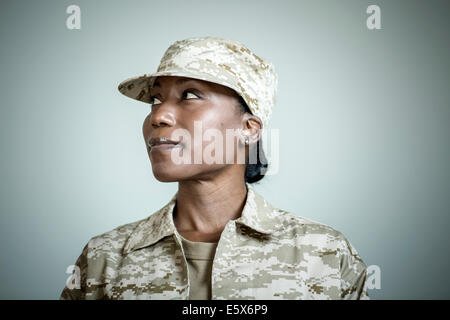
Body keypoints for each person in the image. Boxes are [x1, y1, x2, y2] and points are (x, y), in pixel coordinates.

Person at [60, 36, 369, 300]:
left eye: (190, 95)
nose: (159, 116)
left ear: (248, 129)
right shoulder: (104, 260)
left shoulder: (326, 255)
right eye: (155, 99)